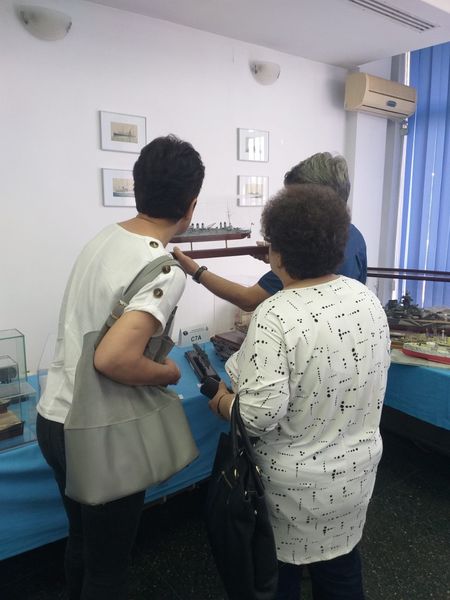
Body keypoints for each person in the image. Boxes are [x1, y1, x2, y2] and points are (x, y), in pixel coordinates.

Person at [36, 135, 205, 600]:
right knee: (108, 570)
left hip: (54, 417)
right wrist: (169, 373)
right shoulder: (162, 268)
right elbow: (113, 359)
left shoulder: (104, 238)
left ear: (137, 188)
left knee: (81, 541)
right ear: (191, 206)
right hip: (98, 432)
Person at [208, 183, 390, 600]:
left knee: (281, 578)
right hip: (357, 471)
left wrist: (221, 400)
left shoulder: (275, 312)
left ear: (277, 253)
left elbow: (256, 416)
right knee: (342, 569)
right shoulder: (366, 299)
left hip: (294, 489)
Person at [173, 152, 367, 312]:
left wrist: (196, 271)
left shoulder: (307, 261)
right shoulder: (356, 238)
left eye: (296, 203)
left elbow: (247, 299)